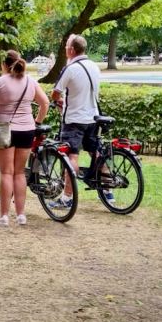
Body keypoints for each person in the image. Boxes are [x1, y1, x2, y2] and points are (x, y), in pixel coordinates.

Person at [0, 49, 49, 227]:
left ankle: (4, 215)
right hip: (27, 129)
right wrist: (37, 122)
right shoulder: (31, 81)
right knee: (20, 173)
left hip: (5, 129)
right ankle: (21, 215)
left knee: (6, 172)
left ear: (4, 65)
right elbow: (45, 103)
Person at [51, 34, 103, 206]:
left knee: (71, 156)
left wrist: (58, 100)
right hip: (93, 117)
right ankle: (108, 191)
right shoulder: (94, 66)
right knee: (95, 152)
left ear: (72, 50)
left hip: (74, 119)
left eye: (66, 46)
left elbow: (55, 93)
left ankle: (67, 197)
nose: (65, 49)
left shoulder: (71, 69)